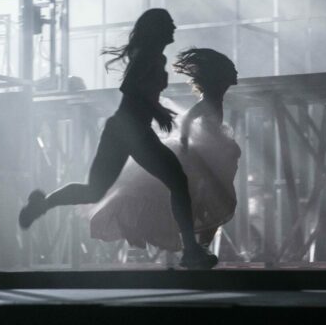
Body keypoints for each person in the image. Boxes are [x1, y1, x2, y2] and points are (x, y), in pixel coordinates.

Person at [18, 9, 217, 269]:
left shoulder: (153, 56)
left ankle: (42, 204)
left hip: (126, 129)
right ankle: (190, 251)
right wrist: (157, 111)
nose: (174, 27)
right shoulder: (147, 55)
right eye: (169, 23)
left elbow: (141, 92)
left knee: (95, 190)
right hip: (132, 130)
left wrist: (158, 110)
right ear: (157, 28)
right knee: (178, 182)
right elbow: (130, 87)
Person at [88, 48, 240, 253]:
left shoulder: (215, 97)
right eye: (230, 74)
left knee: (212, 198)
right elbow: (186, 120)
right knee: (201, 196)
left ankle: (200, 243)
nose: (234, 77)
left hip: (212, 149)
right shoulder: (207, 101)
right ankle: (190, 241)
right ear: (218, 80)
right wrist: (185, 144)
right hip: (200, 152)